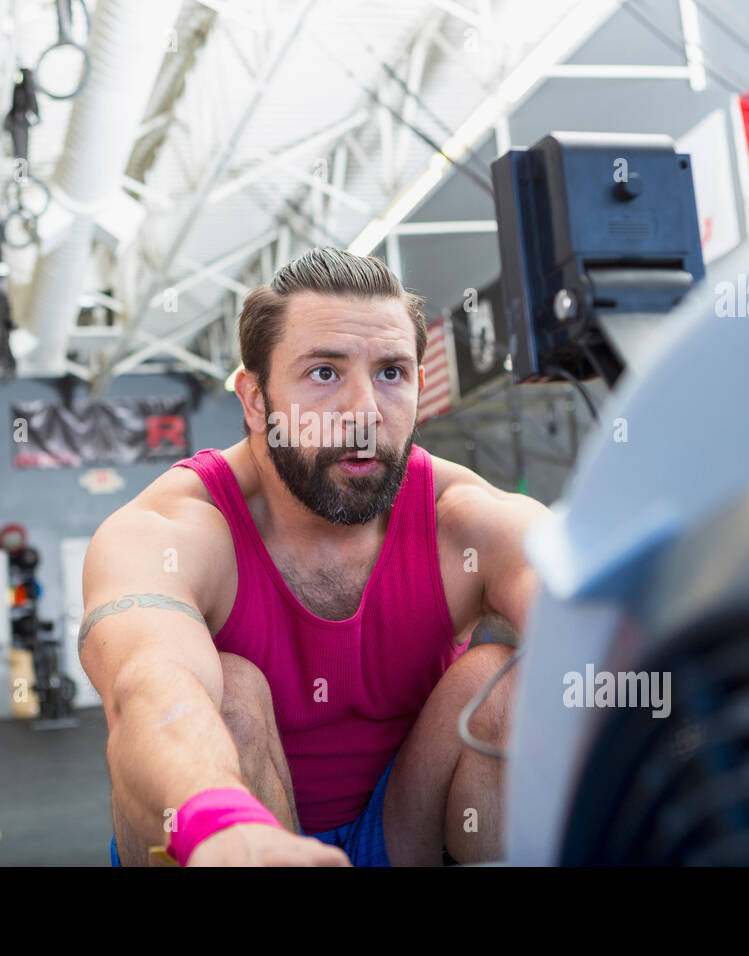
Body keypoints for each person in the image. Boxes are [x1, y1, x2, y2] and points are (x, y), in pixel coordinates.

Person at [78, 246, 550, 866]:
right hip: (228, 830)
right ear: (254, 401)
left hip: (406, 824)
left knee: (503, 680)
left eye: (390, 373)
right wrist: (221, 827)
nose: (364, 413)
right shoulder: (172, 528)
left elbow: (598, 623)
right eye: (324, 373)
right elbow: (148, 687)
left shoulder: (466, 520)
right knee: (231, 691)